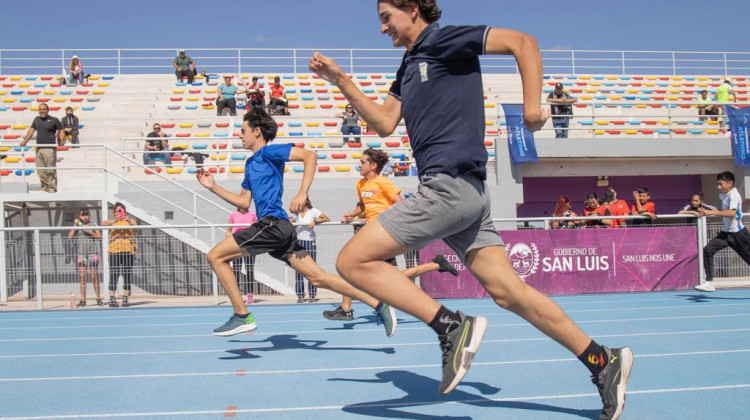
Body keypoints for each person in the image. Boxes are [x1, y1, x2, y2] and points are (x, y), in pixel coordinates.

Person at [309, 3, 631, 419]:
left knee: (352, 260)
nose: (383, 26)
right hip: (466, 193)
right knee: (509, 293)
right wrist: (341, 81)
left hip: (449, 188)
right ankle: (602, 361)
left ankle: (450, 327)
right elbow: (386, 123)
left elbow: (522, 42)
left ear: (412, 9)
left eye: (387, 16)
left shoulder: (441, 40)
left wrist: (532, 110)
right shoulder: (409, 63)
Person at [196, 108, 398, 337]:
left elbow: (309, 156)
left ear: (256, 131)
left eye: (242, 131)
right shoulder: (251, 164)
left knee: (215, 256)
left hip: (272, 224)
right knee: (318, 278)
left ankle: (242, 315)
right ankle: (380, 305)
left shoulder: (269, 152)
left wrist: (302, 193)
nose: (239, 135)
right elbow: (243, 201)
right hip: (278, 230)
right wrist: (213, 187)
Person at [324, 148, 459, 321]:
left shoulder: (384, 183)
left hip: (382, 233)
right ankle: (436, 265)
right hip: (370, 233)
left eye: (363, 162)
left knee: (353, 266)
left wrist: (391, 222)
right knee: (390, 275)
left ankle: (346, 308)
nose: (359, 164)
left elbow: (401, 204)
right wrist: (354, 214)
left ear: (373, 166)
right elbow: (364, 205)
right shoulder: (360, 184)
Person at [696, 171, 750, 292]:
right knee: (707, 250)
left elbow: (732, 213)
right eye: (718, 184)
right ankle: (709, 282)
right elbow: (725, 212)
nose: (718, 187)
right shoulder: (723, 195)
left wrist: (711, 212)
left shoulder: (734, 195)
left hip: (739, 234)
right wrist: (713, 210)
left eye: (721, 184)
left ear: (730, 183)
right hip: (725, 234)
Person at [289, 198, 331, 303]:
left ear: (306, 202)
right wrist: (292, 222)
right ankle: (300, 295)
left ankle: (312, 294)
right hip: (298, 241)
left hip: (309, 241)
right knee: (299, 268)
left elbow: (327, 218)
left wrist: (315, 221)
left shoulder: (313, 211)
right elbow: (291, 223)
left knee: (311, 268)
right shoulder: (296, 213)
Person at [20, 103, 64, 193]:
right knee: (40, 170)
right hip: (39, 148)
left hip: (49, 148)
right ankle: (45, 188)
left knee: (50, 170)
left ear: (48, 110)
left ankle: (52, 188)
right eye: (40, 109)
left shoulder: (53, 120)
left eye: (43, 109)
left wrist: (61, 141)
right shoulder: (36, 120)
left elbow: (61, 130)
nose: (41, 111)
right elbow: (31, 131)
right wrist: (25, 141)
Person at [101, 202, 137, 308]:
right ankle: (112, 297)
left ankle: (125, 296)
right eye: (117, 211)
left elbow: (136, 227)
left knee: (126, 272)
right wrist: (115, 220)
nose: (119, 213)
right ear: (114, 213)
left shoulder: (129, 221)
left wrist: (128, 219)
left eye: (121, 211)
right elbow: (103, 223)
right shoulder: (113, 221)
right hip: (115, 249)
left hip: (127, 249)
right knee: (114, 272)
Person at [67, 208, 103, 307]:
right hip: (82, 253)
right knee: (82, 276)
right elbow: (70, 236)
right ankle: (83, 299)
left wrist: (89, 231)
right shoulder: (78, 226)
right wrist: (75, 225)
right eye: (83, 215)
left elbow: (99, 238)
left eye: (87, 214)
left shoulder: (93, 225)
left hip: (93, 253)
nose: (85, 216)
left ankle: (98, 298)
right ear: (80, 216)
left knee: (94, 276)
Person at [227, 207, 258, 304]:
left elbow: (257, 229)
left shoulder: (252, 215)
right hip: (237, 244)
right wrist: (229, 242)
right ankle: (237, 295)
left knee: (249, 269)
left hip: (249, 244)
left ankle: (250, 295)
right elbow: (228, 230)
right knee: (236, 269)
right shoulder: (233, 215)